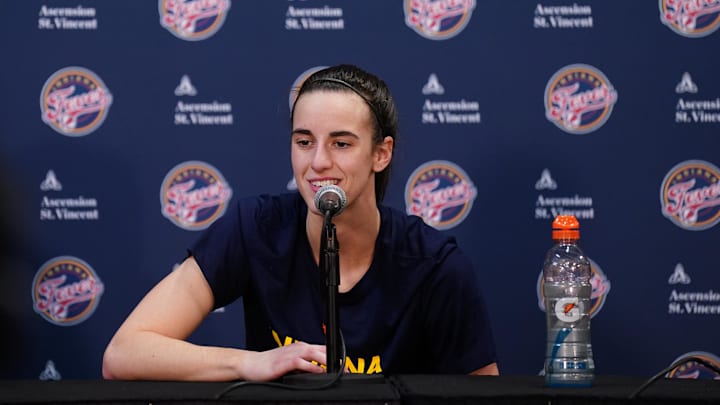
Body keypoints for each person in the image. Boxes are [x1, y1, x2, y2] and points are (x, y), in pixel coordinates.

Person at [102, 64, 499, 381]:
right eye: (304, 141)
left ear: (381, 154)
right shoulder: (256, 226)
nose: (318, 163)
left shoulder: (435, 266)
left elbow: (484, 396)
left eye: (341, 143)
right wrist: (251, 364)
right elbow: (124, 353)